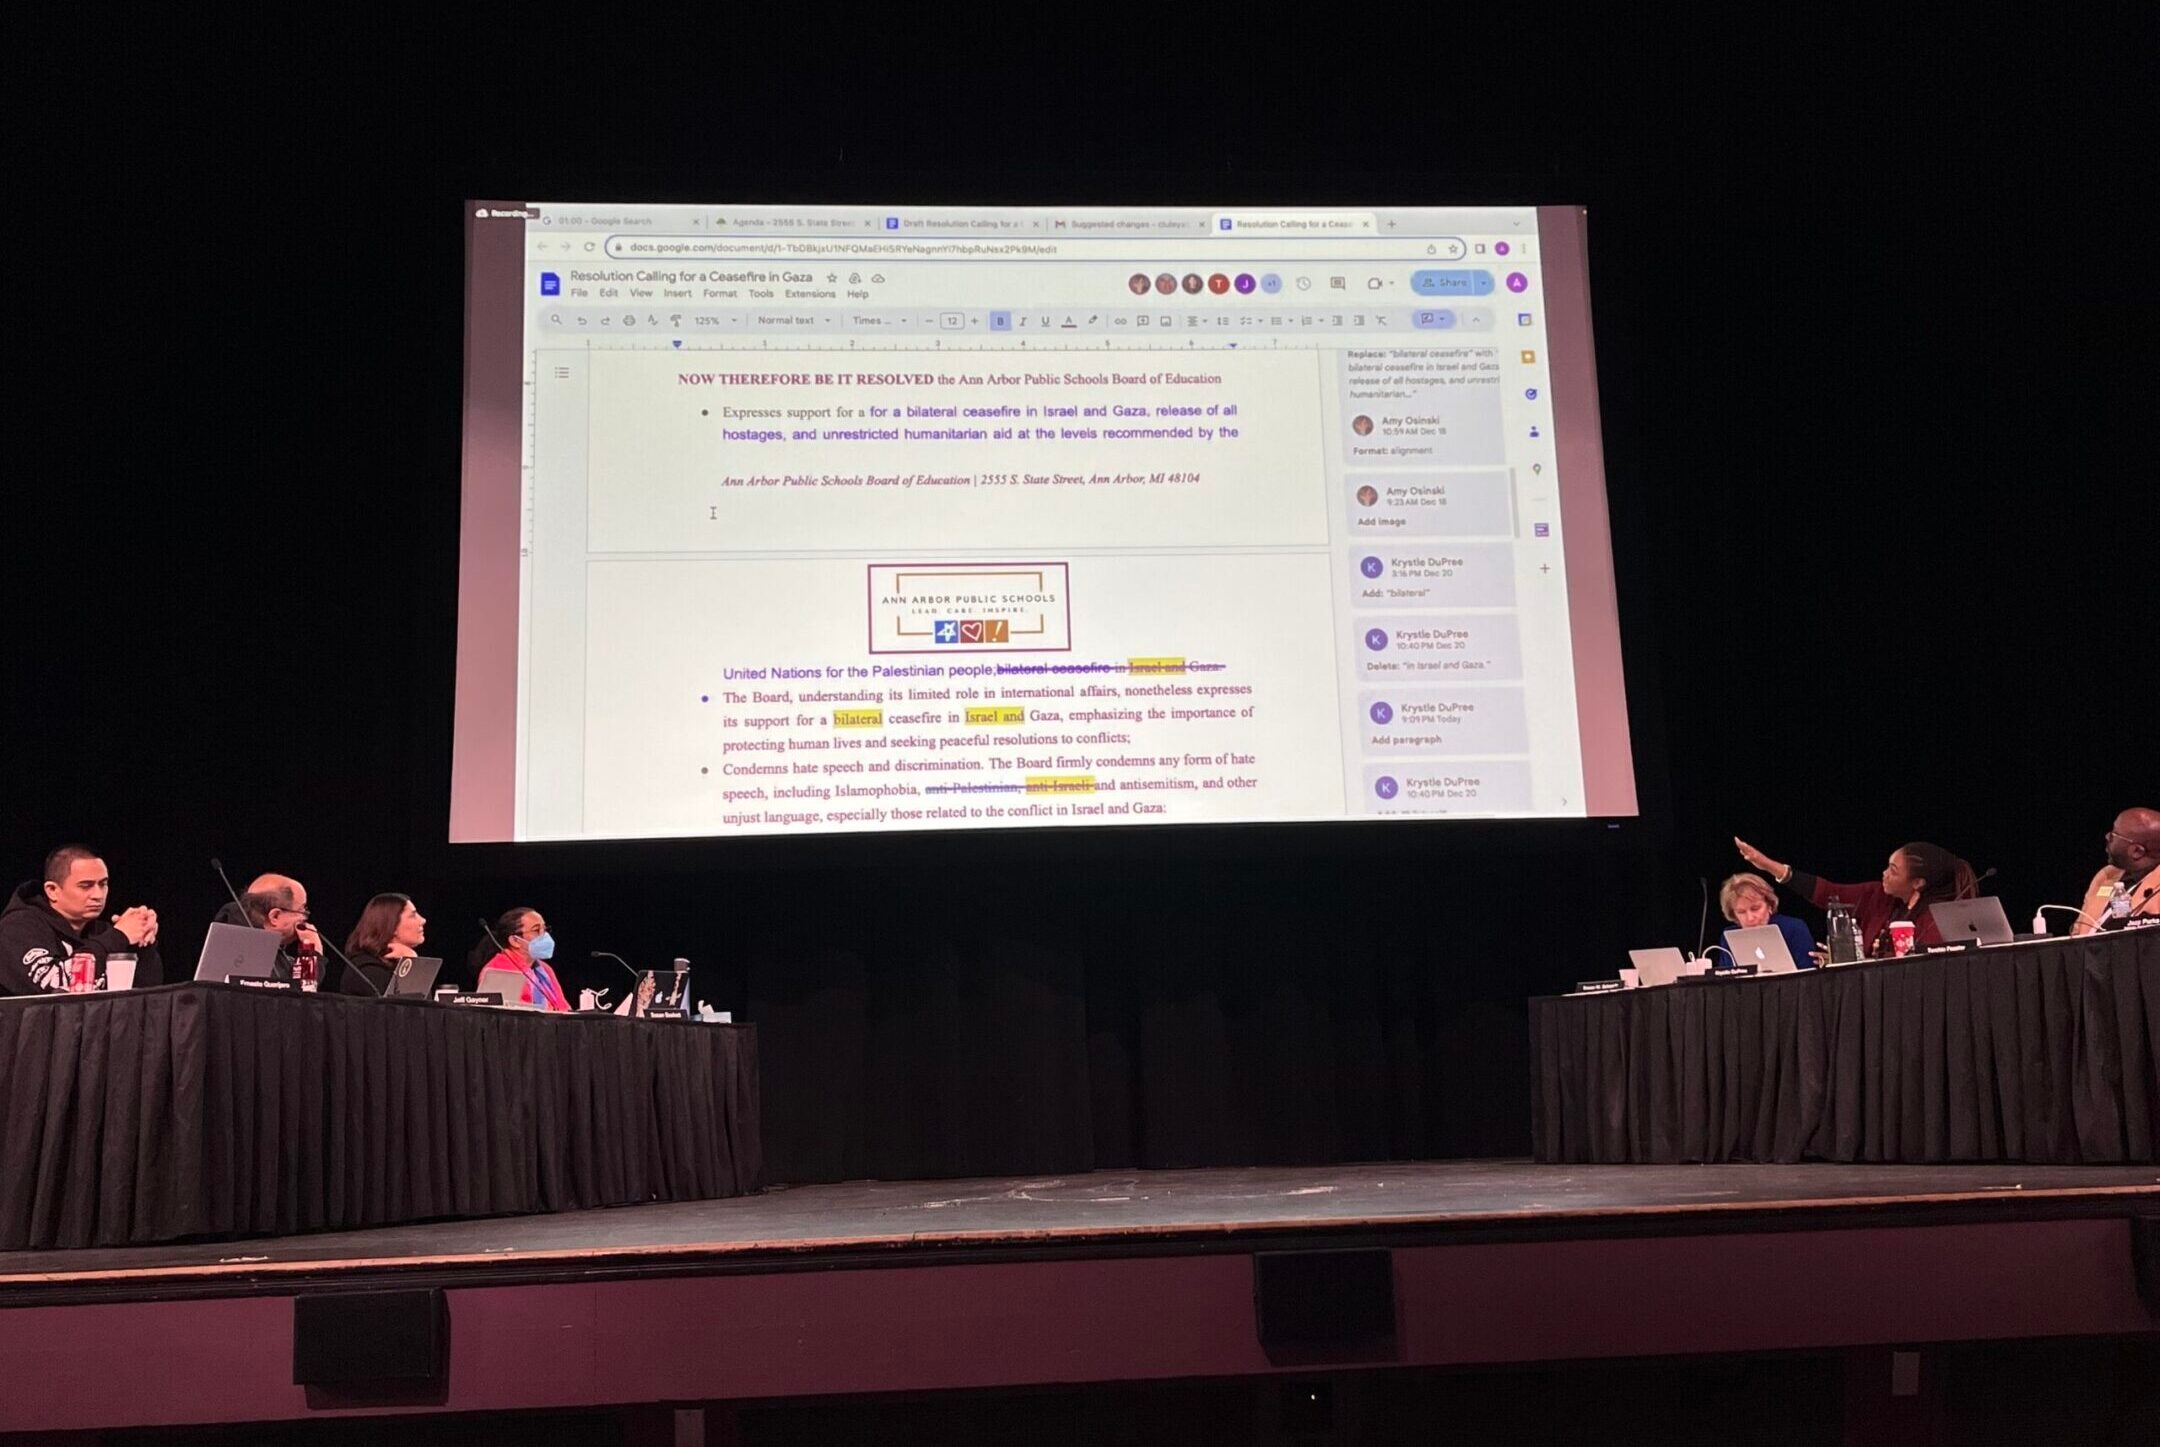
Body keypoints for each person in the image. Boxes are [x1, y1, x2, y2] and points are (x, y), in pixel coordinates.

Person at [1734, 837, 1978, 957]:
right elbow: (1827, 892)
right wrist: (1768, 866)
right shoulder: (1877, 896)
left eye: (1893, 870)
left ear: (1917, 883)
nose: (1884, 874)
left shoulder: (1936, 917)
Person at [0, 845, 164, 995]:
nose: (98, 895)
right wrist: (118, 936)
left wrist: (141, 943)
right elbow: (56, 987)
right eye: (86, 886)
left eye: (103, 884)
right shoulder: (18, 928)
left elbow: (146, 991)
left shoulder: (100, 931)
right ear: (52, 891)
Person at [210, 872, 327, 983]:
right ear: (275, 916)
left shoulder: (277, 954)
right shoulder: (241, 953)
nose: (305, 917)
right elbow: (292, 999)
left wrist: (310, 955)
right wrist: (313, 953)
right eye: (302, 910)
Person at [2072, 807, 2160, 935]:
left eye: (2114, 835)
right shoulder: (2106, 875)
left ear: (2136, 851)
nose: (2107, 837)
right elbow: (2077, 932)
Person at [472, 906, 569, 1011]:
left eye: (545, 929)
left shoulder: (546, 969)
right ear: (515, 941)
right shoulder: (497, 970)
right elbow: (501, 1018)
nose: (544, 935)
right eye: (536, 930)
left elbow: (564, 1008)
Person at [1717, 871, 1818, 970]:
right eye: (1741, 912)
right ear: (1734, 915)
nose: (1750, 918)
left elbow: (1808, 974)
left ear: (1769, 905)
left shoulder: (1794, 928)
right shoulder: (1729, 937)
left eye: (1755, 908)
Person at [341, 892, 428, 995]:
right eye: (412, 915)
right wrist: (412, 962)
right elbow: (409, 1007)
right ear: (392, 924)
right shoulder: (367, 971)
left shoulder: (393, 964)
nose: (423, 920)